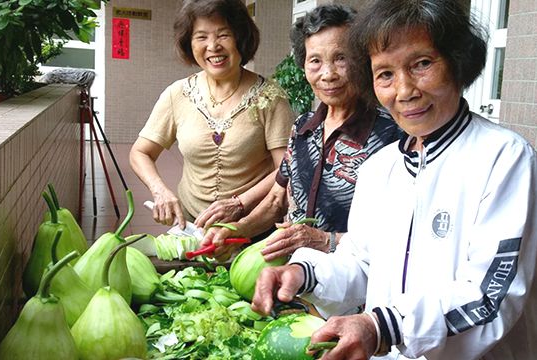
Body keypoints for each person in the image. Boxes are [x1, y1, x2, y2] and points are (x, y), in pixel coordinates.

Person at [251, 0, 537, 359]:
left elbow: (490, 294)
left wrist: (381, 326)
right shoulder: (381, 167)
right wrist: (303, 273)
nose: (404, 90)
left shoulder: (504, 158)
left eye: (421, 65)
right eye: (385, 73)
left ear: (458, 63)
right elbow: (361, 261)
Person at [202, 4, 400, 262]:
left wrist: (322, 240)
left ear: (363, 60)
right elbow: (276, 201)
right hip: (295, 281)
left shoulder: (392, 136)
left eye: (341, 58)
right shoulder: (304, 128)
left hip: (354, 288)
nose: (328, 74)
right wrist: (235, 231)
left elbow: (398, 233)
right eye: (315, 61)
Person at [130, 0, 294, 230]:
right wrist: (160, 191)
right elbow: (140, 152)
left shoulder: (270, 98)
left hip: (250, 226)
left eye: (223, 35)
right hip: (190, 225)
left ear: (241, 38)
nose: (213, 46)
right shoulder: (178, 94)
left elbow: (286, 168)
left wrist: (239, 203)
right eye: (201, 37)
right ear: (189, 43)